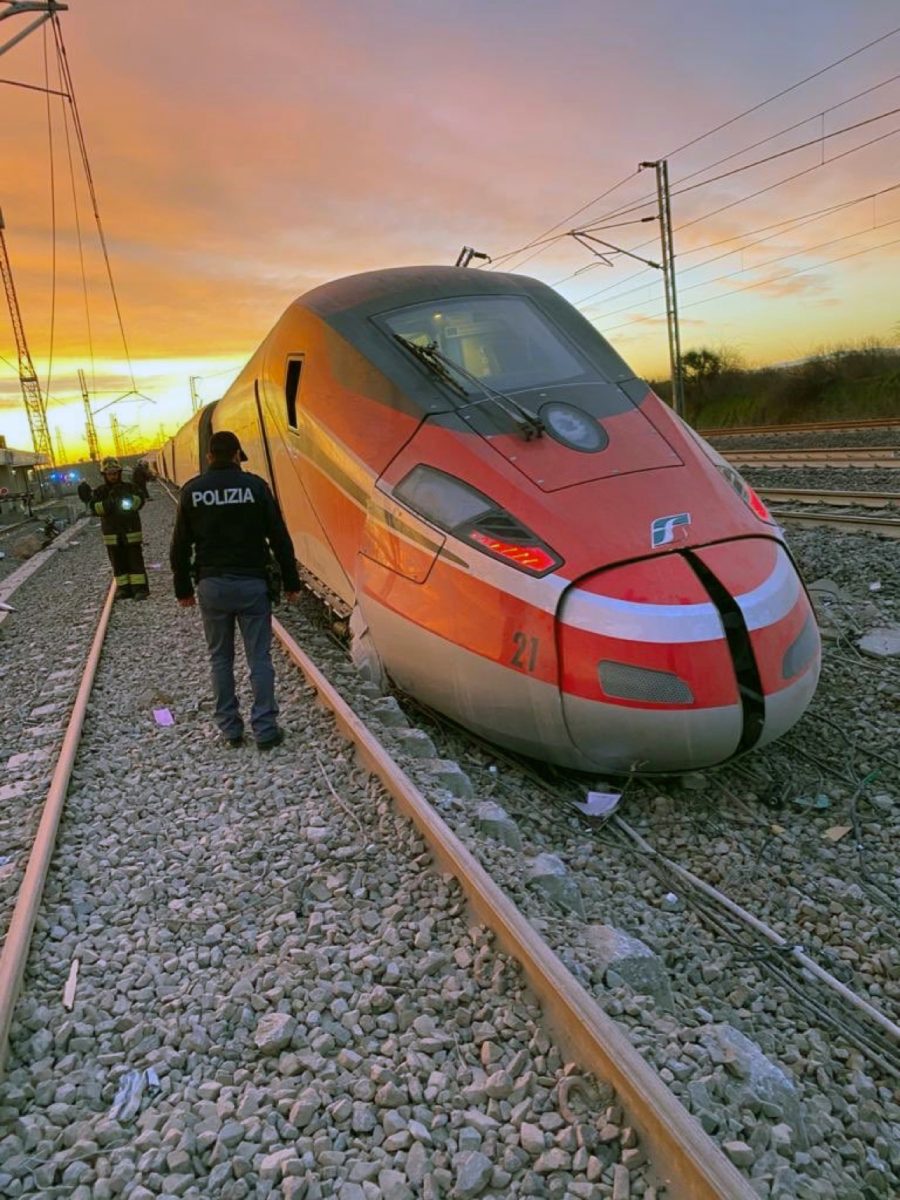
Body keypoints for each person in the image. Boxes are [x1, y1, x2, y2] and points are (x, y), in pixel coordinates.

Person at [169, 430, 301, 750]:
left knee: (220, 659)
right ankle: (266, 730)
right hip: (252, 583)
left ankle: (230, 730)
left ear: (210, 457)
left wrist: (182, 588)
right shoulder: (255, 487)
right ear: (237, 455)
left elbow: (179, 546)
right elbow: (279, 537)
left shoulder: (193, 491)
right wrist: (291, 581)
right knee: (259, 659)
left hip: (212, 586)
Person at [91, 456, 150, 600]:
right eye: (110, 474)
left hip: (131, 533)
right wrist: (109, 504)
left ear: (119, 473)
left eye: (115, 473)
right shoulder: (100, 492)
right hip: (112, 536)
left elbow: (140, 500)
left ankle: (140, 589)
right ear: (104, 475)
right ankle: (124, 589)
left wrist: (129, 500)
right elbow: (94, 508)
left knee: (135, 562)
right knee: (118, 564)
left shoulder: (130, 488)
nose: (113, 476)